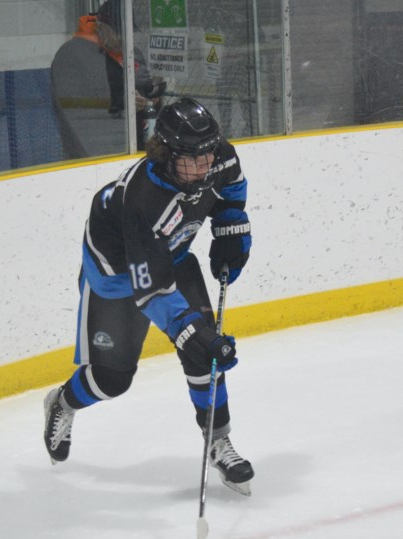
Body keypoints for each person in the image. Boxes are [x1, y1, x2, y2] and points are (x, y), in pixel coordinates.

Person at [43, 98, 255, 495]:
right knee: (112, 380)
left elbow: (231, 194)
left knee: (201, 355)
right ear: (166, 154)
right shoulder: (143, 201)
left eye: (207, 155)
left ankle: (218, 440)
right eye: (190, 160)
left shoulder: (217, 157)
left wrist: (231, 230)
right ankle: (63, 403)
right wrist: (194, 334)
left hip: (170, 257)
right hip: (116, 279)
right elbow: (152, 290)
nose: (202, 167)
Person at [49, 0, 165, 159]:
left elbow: (145, 96)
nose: (122, 38)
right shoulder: (71, 54)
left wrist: (153, 101)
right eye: (117, 32)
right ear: (101, 26)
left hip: (134, 147)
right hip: (91, 151)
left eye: (127, 32)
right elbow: (71, 105)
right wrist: (125, 102)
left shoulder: (133, 53)